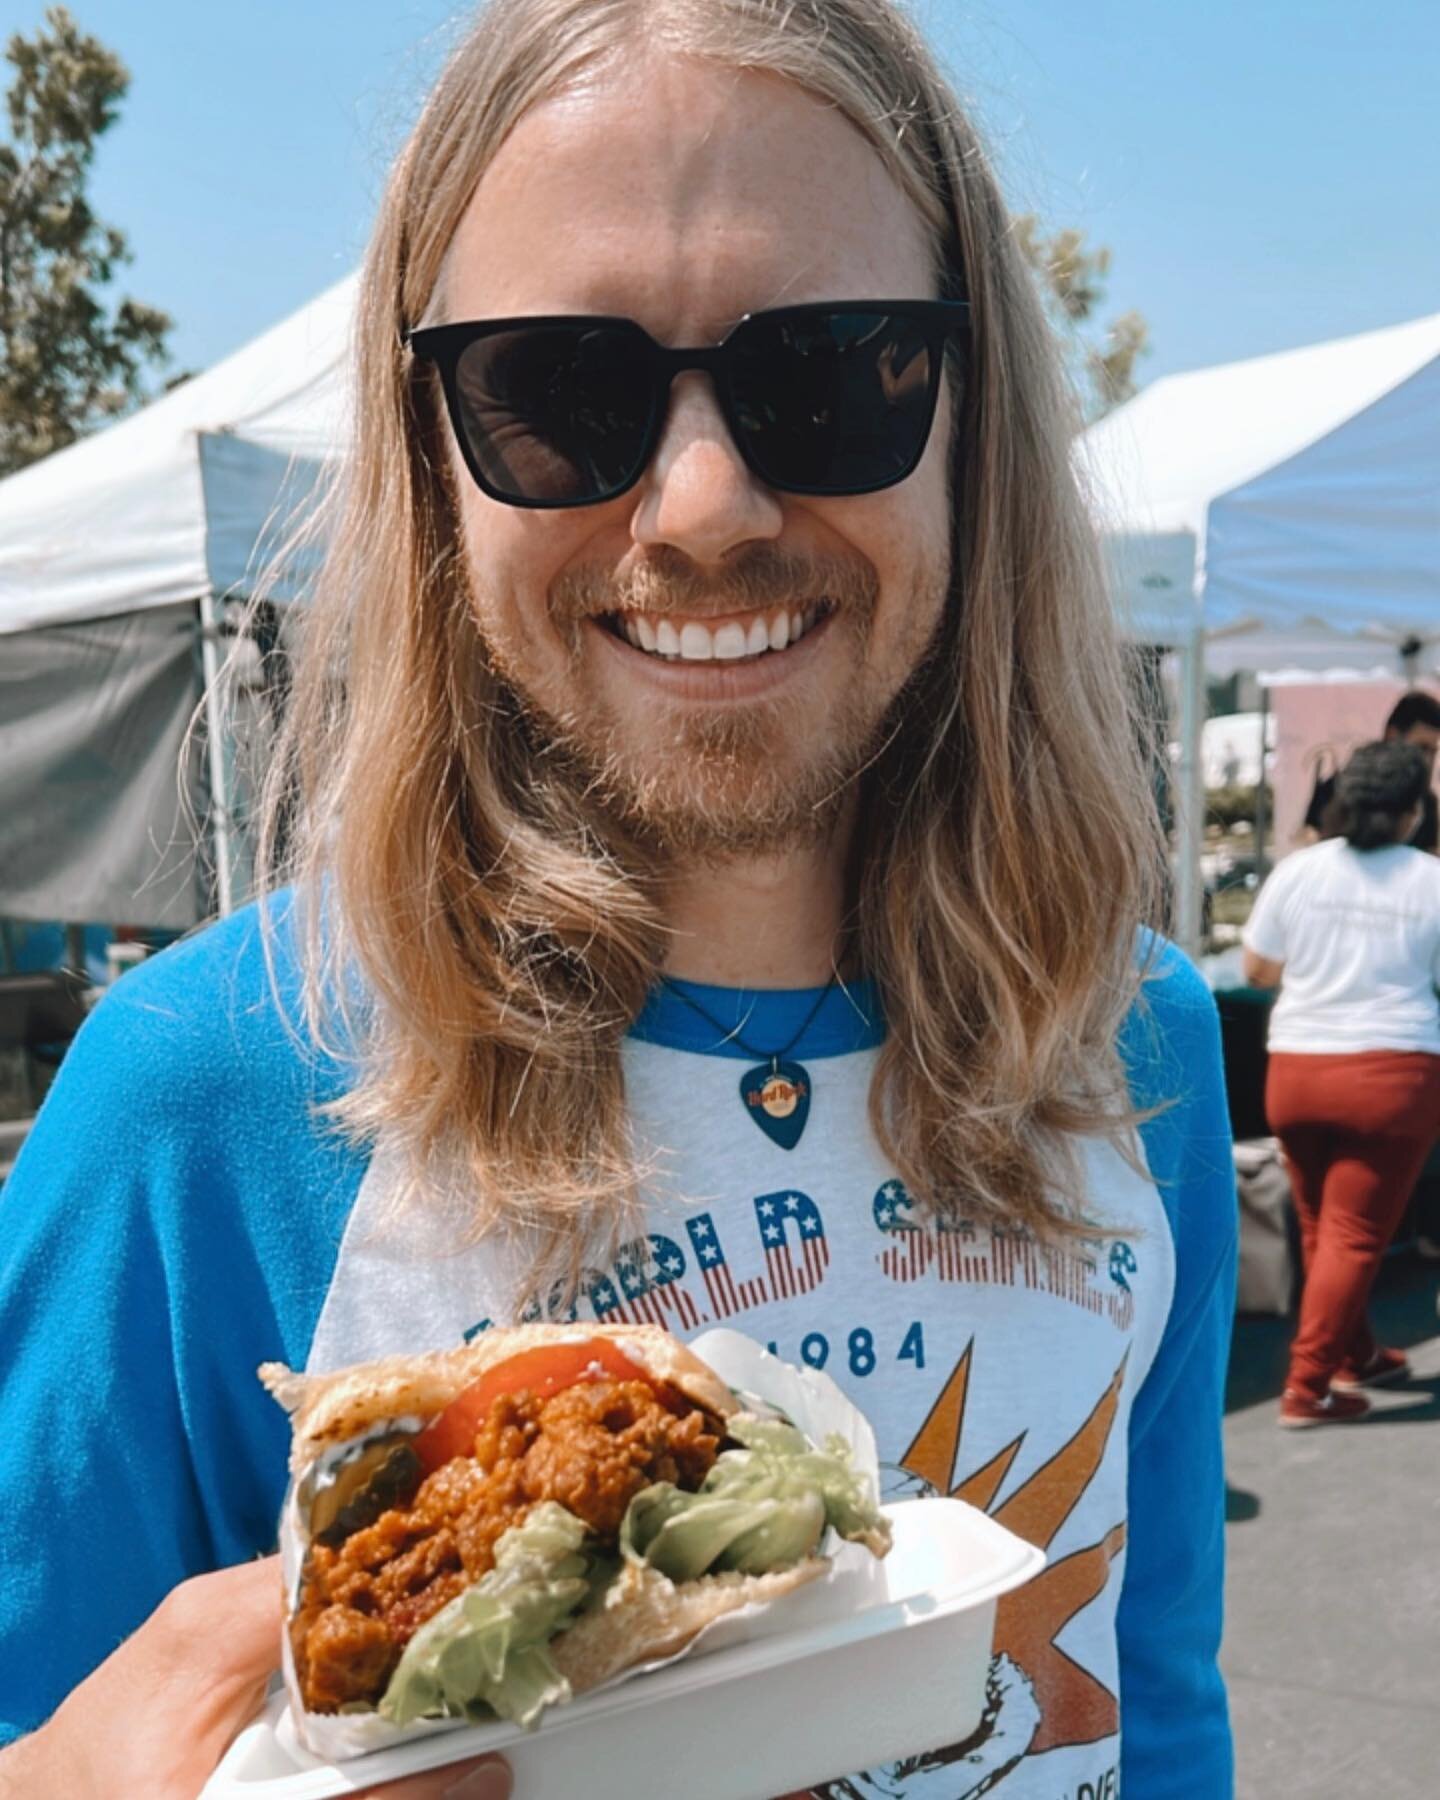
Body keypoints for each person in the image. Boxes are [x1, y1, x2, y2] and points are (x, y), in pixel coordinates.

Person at [0, 3, 1236, 1796]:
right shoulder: (199, 1097)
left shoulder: (1139, 1044)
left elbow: (1159, 1708)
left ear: (976, 419)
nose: (710, 503)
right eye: (556, 393)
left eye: (836, 369)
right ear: (429, 450)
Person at [1243, 741, 1440, 1428]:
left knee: (1324, 1228)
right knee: (1355, 1234)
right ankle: (1309, 1385)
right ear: (1415, 809)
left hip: (1297, 1069)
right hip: (1393, 1075)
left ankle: (1355, 1353)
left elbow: (1258, 970)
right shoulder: (1429, 880)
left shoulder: (1300, 871)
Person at [1301, 689, 1440, 851]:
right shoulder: (1343, 785)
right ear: (1393, 735)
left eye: (1433, 751)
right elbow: (1309, 835)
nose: (1428, 759)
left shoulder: (1425, 800)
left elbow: (1429, 856)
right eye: (1421, 747)